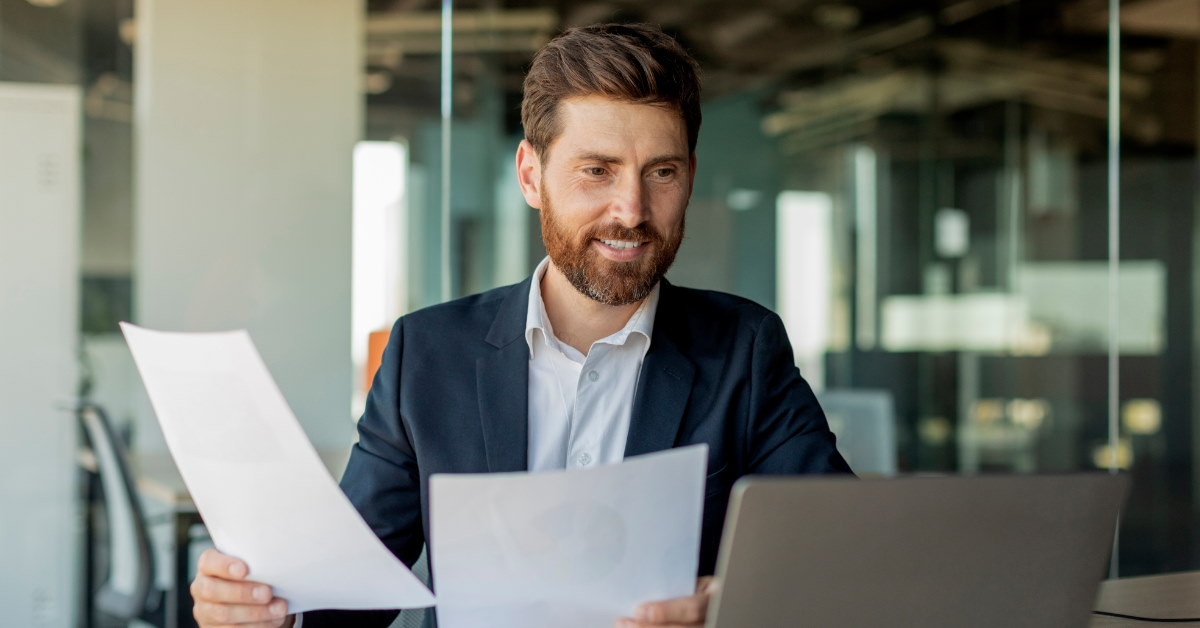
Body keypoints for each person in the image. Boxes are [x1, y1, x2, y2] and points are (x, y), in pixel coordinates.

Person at [189, 22, 852, 628]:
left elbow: (840, 556)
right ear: (531, 175)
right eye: (597, 170)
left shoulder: (744, 349)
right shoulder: (426, 353)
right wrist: (267, 610)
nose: (632, 209)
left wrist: (729, 604)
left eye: (662, 172)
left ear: (690, 176)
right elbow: (349, 594)